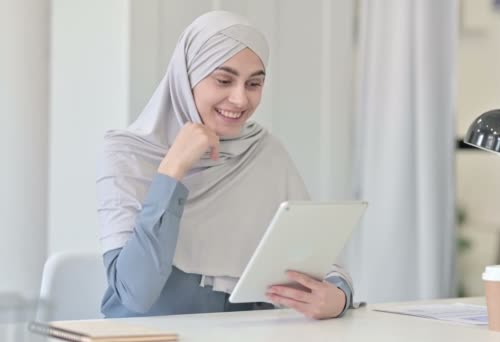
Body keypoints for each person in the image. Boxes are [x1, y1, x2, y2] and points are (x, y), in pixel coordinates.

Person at [96, 10, 353, 319]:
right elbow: (136, 294)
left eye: (254, 84)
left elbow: (324, 264)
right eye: (223, 80)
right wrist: (172, 170)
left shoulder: (264, 151)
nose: (240, 99)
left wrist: (338, 298)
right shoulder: (128, 152)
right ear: (186, 75)